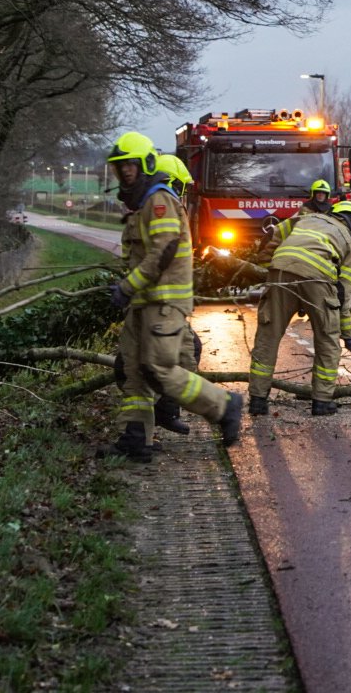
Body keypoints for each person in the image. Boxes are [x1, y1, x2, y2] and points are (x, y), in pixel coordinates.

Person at [103, 131, 243, 462]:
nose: (125, 173)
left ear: (146, 165)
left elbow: (164, 249)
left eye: (130, 167)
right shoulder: (141, 206)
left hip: (162, 304)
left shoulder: (159, 201)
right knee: (135, 372)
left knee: (159, 368)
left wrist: (127, 286)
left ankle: (223, 406)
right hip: (144, 304)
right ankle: (136, 439)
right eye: (120, 168)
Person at [248, 199, 351, 417]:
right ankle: (321, 402)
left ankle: (257, 400)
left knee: (268, 336)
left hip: (281, 270)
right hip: (318, 280)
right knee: (327, 340)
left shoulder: (304, 218)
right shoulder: (350, 244)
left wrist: (271, 270)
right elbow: (342, 295)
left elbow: (269, 240)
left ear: (334, 212)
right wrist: (348, 336)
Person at [148, 152, 203, 439]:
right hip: (163, 304)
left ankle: (151, 425)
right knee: (187, 355)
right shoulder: (164, 209)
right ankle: (162, 414)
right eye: (182, 187)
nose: (183, 194)